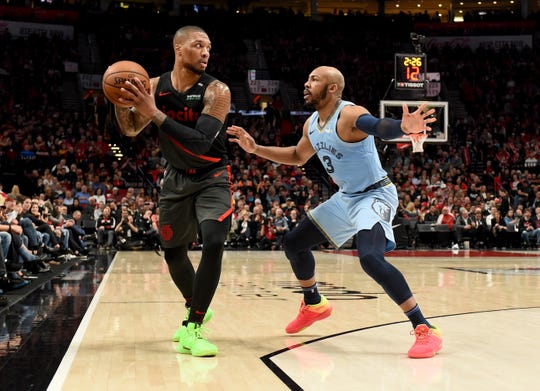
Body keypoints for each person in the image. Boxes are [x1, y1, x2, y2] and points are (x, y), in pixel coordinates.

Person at [227, 66, 442, 359]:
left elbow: (378, 126)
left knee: (369, 258)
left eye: (314, 79)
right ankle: (314, 303)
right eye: (308, 77)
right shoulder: (312, 124)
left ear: (332, 88)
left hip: (374, 194)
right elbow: (296, 156)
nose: (306, 83)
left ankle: (424, 327)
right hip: (346, 198)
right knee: (293, 243)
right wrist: (256, 149)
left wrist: (402, 128)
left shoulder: (349, 115)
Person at [114, 25, 231, 357]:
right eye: (198, 45)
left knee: (213, 241)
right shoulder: (153, 86)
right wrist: (120, 101)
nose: (206, 51)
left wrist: (154, 113)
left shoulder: (217, 91)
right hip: (176, 178)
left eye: (209, 46)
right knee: (173, 252)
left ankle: (193, 328)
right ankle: (196, 306)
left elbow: (200, 140)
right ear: (179, 49)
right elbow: (131, 129)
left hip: (212, 175)